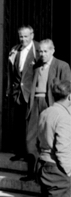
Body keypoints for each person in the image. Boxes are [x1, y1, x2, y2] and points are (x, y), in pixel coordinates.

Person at [35, 79, 71, 197]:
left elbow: (37, 139)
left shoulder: (46, 112)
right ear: (69, 96)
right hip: (57, 167)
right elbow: (63, 148)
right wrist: (70, 171)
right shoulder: (64, 116)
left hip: (43, 163)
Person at [26, 40, 71, 182]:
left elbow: (67, 87)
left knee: (51, 137)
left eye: (45, 51)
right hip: (36, 103)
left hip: (51, 102)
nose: (42, 54)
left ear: (53, 51)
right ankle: (33, 172)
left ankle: (55, 171)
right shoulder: (37, 66)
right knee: (31, 138)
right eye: (40, 51)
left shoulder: (62, 65)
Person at [7, 25, 39, 176]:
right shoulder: (15, 50)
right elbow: (11, 72)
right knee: (18, 123)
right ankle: (19, 151)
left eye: (26, 36)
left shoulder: (38, 49)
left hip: (31, 93)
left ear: (32, 35)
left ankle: (29, 153)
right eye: (21, 36)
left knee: (30, 124)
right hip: (18, 93)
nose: (23, 39)